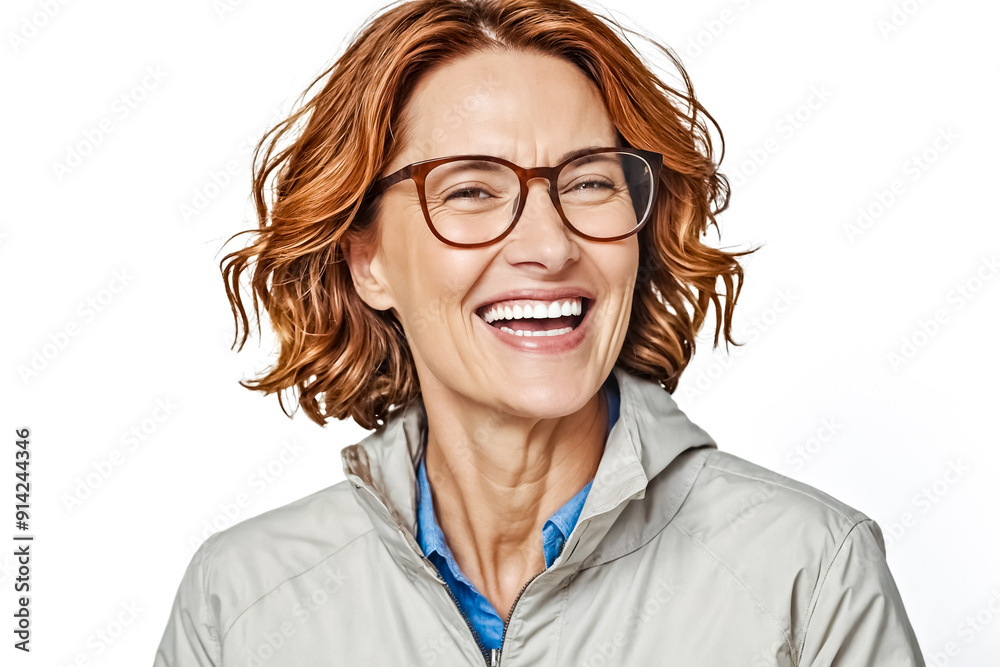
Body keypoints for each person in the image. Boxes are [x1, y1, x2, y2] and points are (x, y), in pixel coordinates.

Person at [155, 0, 926, 664]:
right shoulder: (244, 601)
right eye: (470, 190)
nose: (550, 247)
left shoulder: (809, 573)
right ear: (368, 260)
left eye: (590, 182)